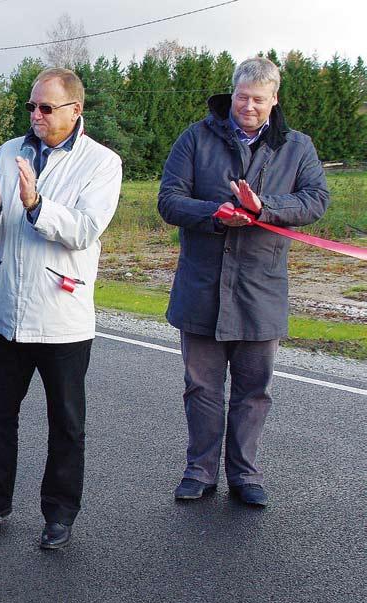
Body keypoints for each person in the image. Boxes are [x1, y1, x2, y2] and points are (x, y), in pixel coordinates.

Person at [158, 57, 329, 507]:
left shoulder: (297, 146)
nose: (248, 106)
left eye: (258, 99)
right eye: (241, 97)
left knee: (254, 390)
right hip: (202, 288)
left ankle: (245, 475)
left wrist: (262, 208)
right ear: (231, 94)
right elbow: (170, 200)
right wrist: (215, 212)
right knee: (202, 387)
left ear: (274, 100)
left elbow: (315, 200)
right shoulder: (195, 137)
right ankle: (199, 471)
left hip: (261, 290)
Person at [0, 67, 122, 549]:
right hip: (6, 311)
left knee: (66, 423)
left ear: (76, 110)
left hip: (61, 316)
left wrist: (35, 204)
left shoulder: (101, 163)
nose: (35, 115)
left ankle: (59, 513)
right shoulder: (10, 151)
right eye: (31, 106)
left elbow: (84, 230)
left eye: (46, 108)